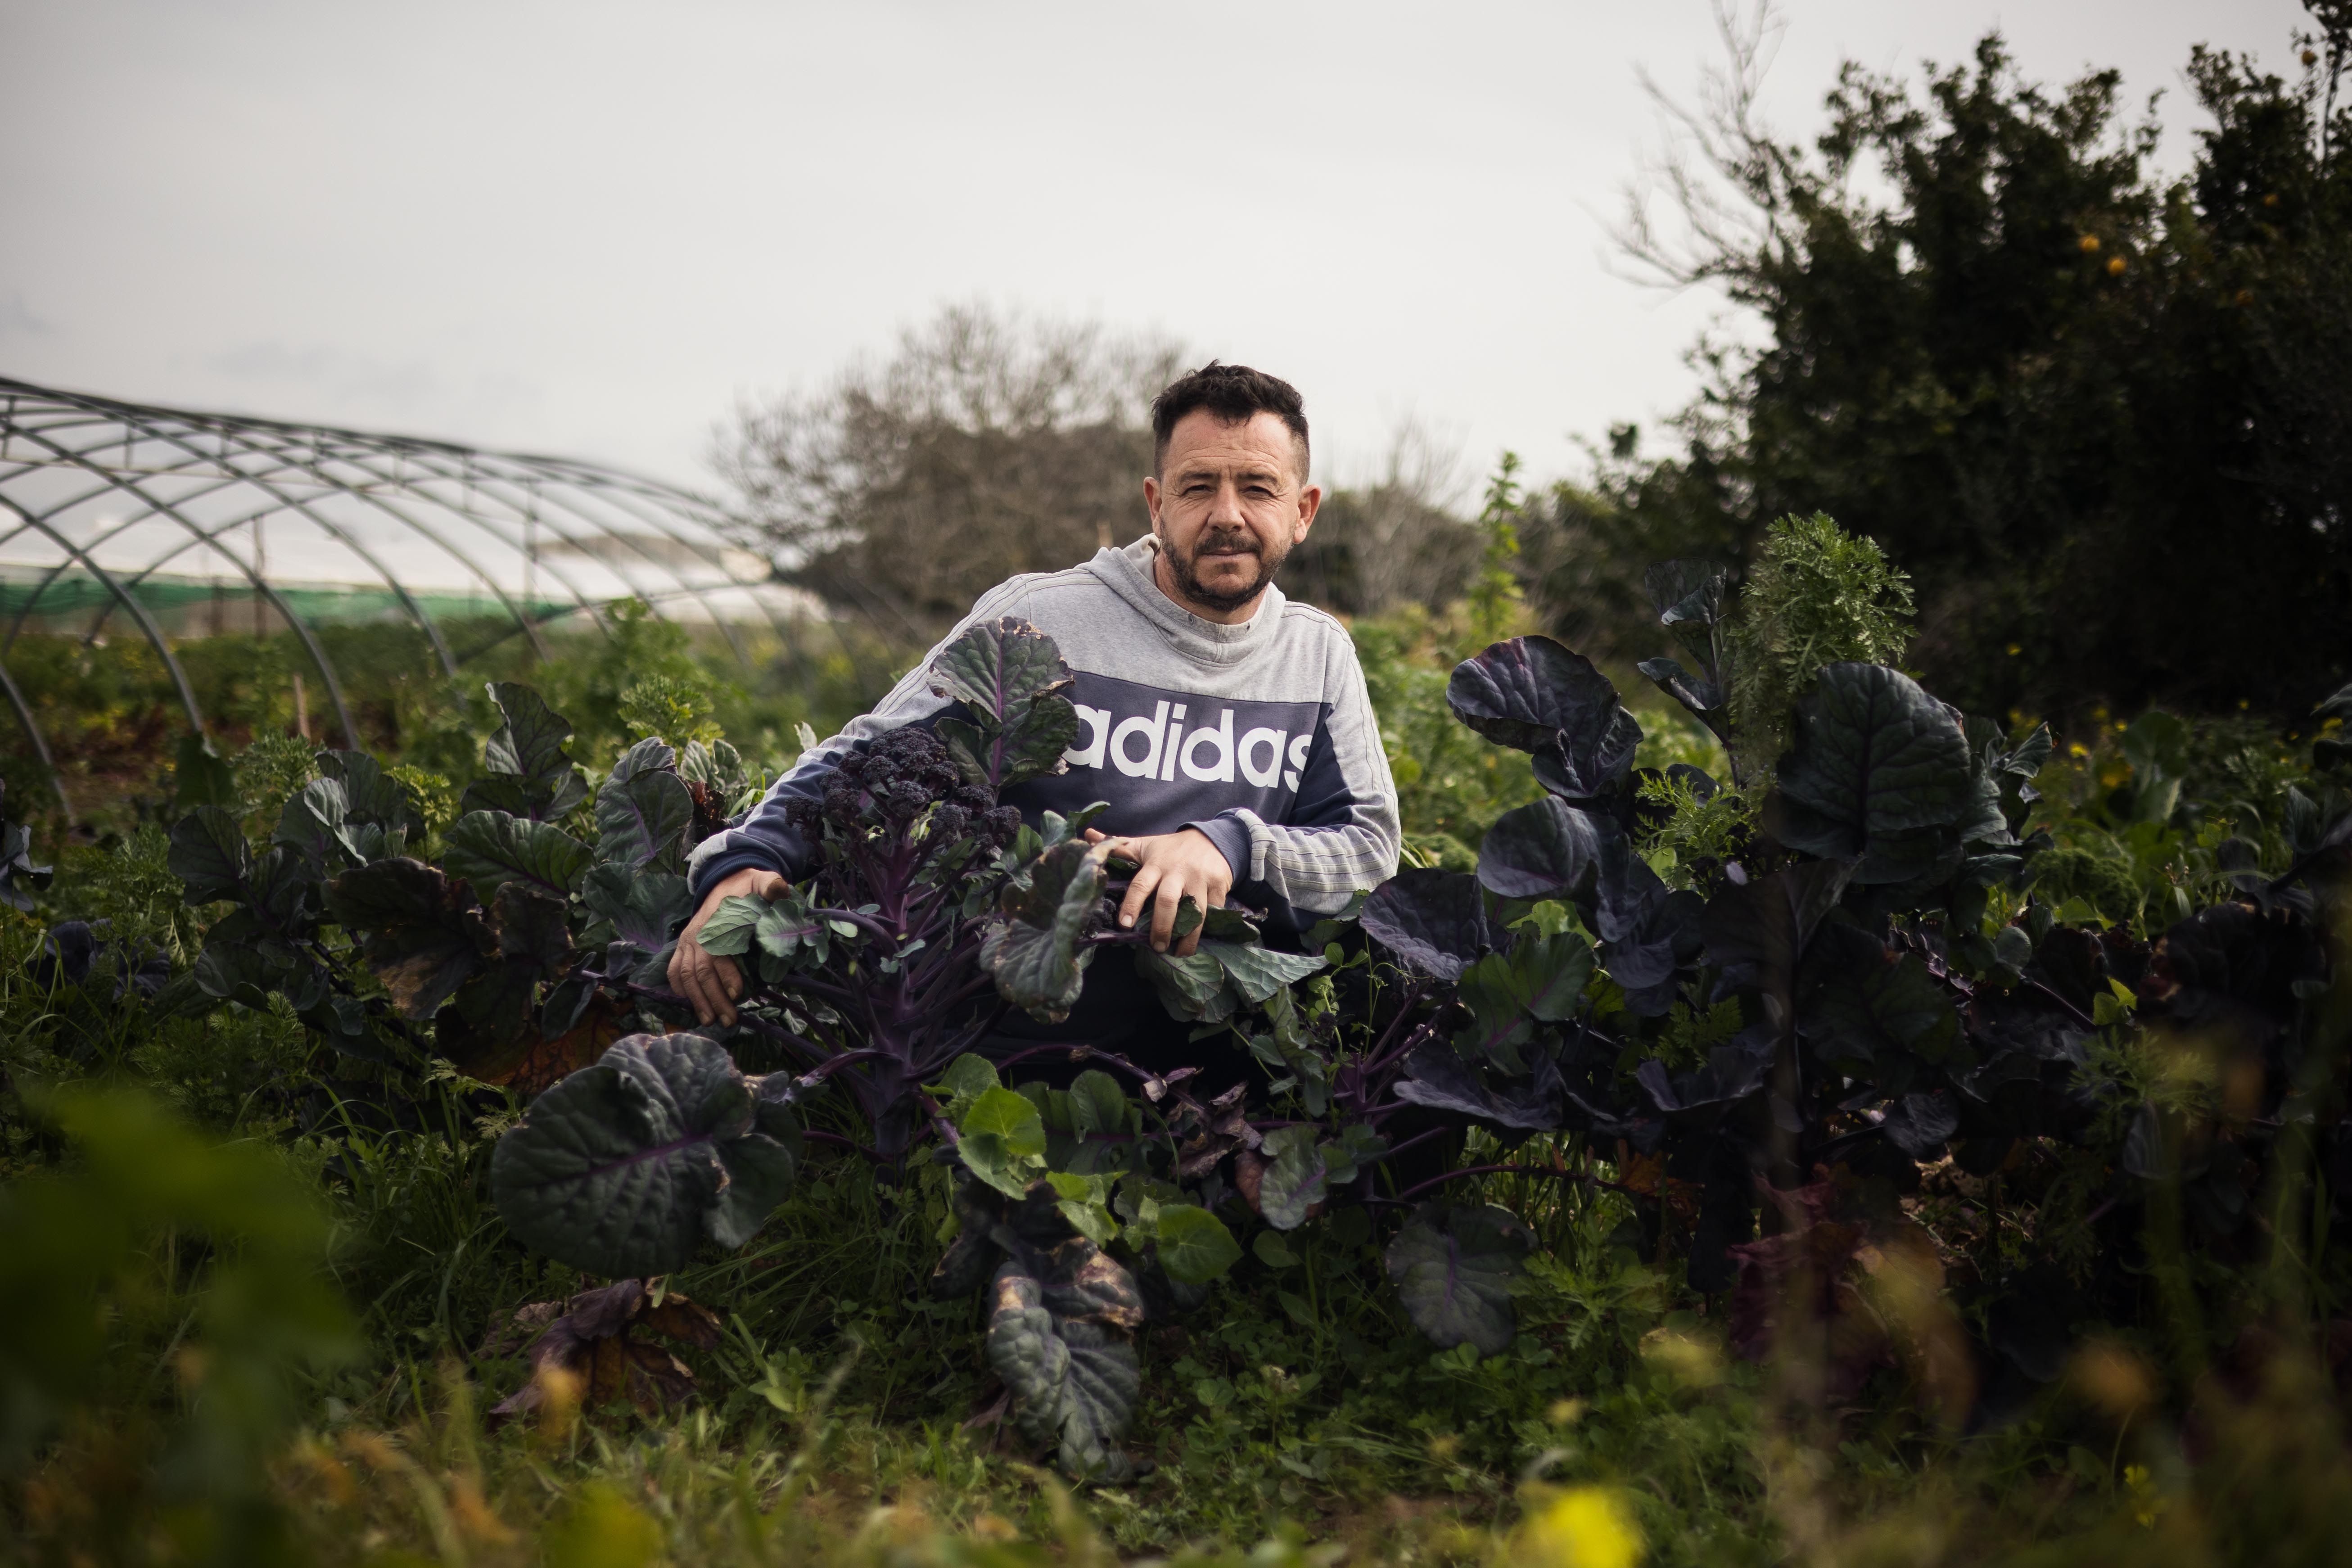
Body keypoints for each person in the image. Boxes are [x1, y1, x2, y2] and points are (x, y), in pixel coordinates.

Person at [668, 361, 1401, 1075]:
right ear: (1156, 504)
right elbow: (870, 755)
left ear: (1302, 512)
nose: (1227, 515)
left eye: (1258, 488)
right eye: (1198, 486)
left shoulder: (1317, 656)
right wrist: (749, 860)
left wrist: (1227, 846)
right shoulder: (1042, 617)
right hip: (998, 1057)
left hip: (1216, 1070)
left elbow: (1367, 850)